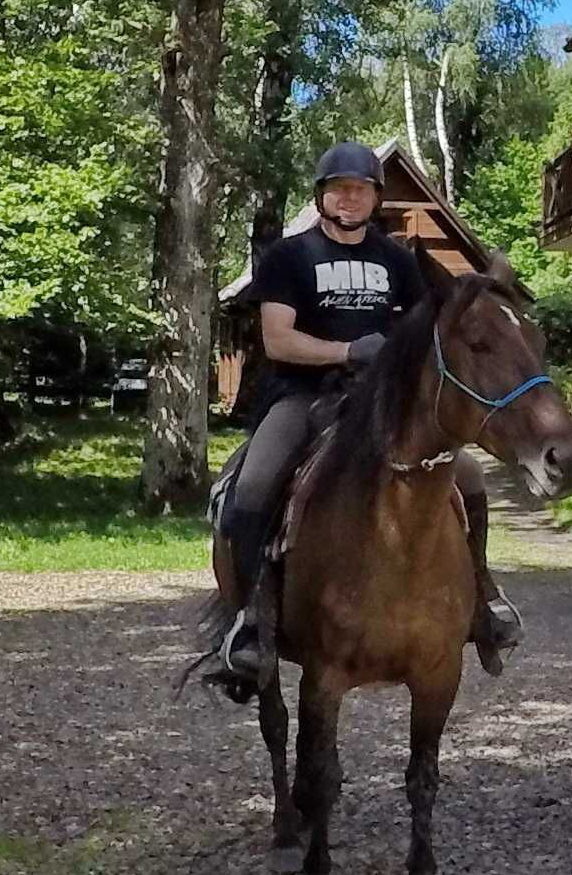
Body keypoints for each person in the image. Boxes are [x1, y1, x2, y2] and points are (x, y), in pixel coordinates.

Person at [216, 141, 518, 686]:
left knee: (469, 477)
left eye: (361, 188)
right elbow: (278, 341)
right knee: (254, 485)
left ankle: (481, 599)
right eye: (340, 188)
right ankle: (250, 618)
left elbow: (431, 331)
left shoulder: (397, 260)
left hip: (380, 402)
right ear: (322, 196)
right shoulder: (288, 257)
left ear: (376, 197)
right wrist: (348, 350)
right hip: (303, 396)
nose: (350, 198)